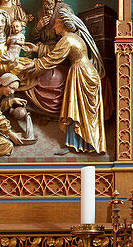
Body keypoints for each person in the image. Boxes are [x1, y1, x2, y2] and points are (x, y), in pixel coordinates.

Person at [18, 9, 106, 154]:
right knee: (78, 110)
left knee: (81, 111)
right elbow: (55, 50)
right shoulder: (71, 38)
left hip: (82, 74)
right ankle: (76, 144)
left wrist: (34, 64)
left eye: (56, 23)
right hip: (83, 72)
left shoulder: (68, 39)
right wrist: (37, 49)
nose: (53, 27)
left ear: (63, 24)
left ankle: (88, 144)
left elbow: (54, 58)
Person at [26, 0, 110, 121]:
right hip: (47, 53)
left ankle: (54, 114)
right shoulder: (41, 13)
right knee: (31, 77)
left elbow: (71, 36)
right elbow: (35, 36)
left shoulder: (64, 10)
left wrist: (40, 52)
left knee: (46, 77)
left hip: (63, 56)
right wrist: (38, 27)